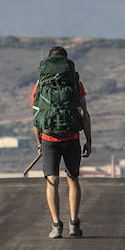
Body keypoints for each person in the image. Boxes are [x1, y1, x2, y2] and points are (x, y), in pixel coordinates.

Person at [30, 45, 92, 237]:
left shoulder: (40, 84)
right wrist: (89, 140)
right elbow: (84, 114)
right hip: (72, 137)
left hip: (49, 139)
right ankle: (74, 223)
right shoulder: (75, 82)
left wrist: (39, 143)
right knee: (73, 179)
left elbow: (35, 118)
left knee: (52, 181)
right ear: (66, 61)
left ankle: (56, 226)